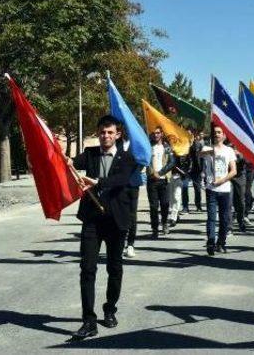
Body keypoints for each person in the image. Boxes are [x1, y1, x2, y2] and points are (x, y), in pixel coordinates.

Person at [69, 115, 136, 338]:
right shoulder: (90, 154)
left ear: (117, 134)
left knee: (114, 269)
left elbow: (121, 179)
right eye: (101, 132)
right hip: (92, 220)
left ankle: (109, 309)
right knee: (87, 269)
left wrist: (97, 181)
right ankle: (89, 320)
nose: (105, 136)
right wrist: (61, 159)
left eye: (109, 132)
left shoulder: (127, 158)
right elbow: (69, 163)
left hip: (116, 221)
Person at [204, 124, 237, 255]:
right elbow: (198, 153)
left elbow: (234, 171)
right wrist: (209, 152)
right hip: (211, 188)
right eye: (215, 132)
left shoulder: (229, 151)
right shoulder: (207, 148)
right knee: (211, 217)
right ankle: (211, 242)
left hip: (225, 189)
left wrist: (221, 181)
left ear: (224, 135)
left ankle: (221, 242)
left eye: (219, 132)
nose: (216, 134)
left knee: (225, 219)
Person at [146, 127, 175, 238]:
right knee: (153, 206)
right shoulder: (148, 147)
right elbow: (145, 160)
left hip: (164, 180)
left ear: (162, 134)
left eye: (158, 133)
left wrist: (161, 173)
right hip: (152, 180)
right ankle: (154, 228)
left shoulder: (167, 147)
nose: (156, 135)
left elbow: (172, 162)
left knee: (165, 204)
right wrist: (153, 172)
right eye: (153, 133)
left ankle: (164, 223)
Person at [183, 130, 204, 213]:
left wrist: (202, 170)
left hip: (196, 169)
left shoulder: (198, 144)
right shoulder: (183, 144)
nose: (189, 135)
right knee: (184, 188)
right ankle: (185, 207)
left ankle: (198, 206)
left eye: (190, 133)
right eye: (187, 133)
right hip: (185, 169)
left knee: (197, 189)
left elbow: (200, 157)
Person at [230, 144, 247, 232]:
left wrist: (239, 154)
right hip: (228, 177)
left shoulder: (243, 145)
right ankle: (229, 226)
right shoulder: (227, 147)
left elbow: (248, 161)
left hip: (239, 177)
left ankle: (241, 220)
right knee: (229, 201)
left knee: (240, 201)